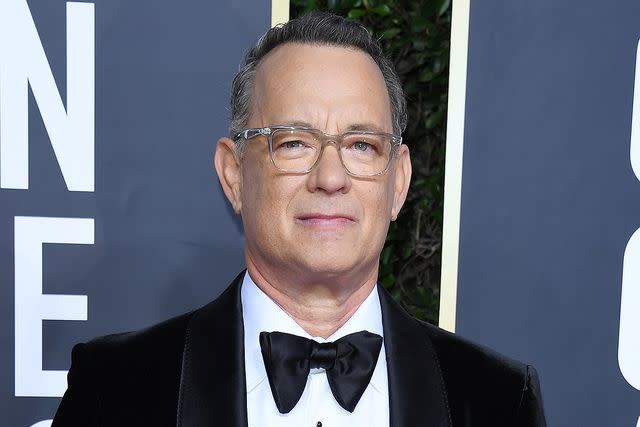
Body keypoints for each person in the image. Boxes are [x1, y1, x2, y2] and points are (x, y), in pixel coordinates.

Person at [52, 11, 546, 427]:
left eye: (361, 145)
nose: (330, 177)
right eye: (293, 142)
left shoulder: (500, 399)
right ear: (233, 173)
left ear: (398, 182)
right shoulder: (113, 388)